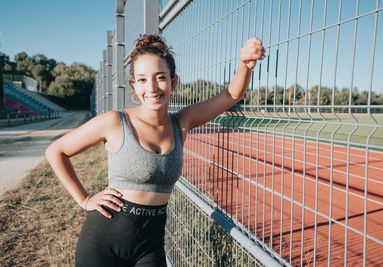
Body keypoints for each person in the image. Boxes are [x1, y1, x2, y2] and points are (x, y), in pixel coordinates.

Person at [45, 34, 265, 267]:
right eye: (142, 80)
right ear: (134, 85)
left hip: (149, 247)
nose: (151, 88)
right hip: (102, 243)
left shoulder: (182, 122)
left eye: (160, 77)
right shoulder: (114, 122)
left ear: (174, 81)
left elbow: (231, 96)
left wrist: (245, 65)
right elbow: (56, 151)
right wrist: (85, 199)